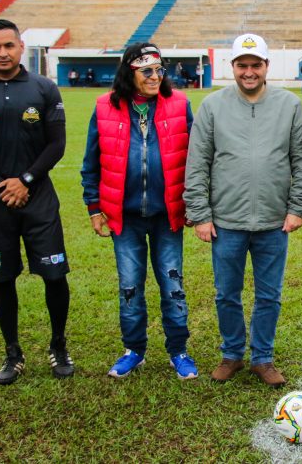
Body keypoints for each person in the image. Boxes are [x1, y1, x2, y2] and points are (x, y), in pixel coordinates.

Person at [184, 33, 302, 387]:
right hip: (225, 220)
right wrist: (200, 213)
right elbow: (197, 163)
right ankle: (231, 354)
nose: (249, 71)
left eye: (256, 64)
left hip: (275, 221)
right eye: (242, 65)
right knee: (226, 293)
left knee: (269, 295)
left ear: (266, 66)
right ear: (233, 67)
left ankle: (262, 357)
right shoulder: (212, 106)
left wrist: (298, 207)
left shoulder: (289, 105)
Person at [0, 19, 73, 385]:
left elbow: (57, 145)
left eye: (9, 45)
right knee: (3, 277)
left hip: (39, 200)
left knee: (54, 274)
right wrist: (1, 185)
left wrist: (25, 181)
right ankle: (13, 352)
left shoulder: (44, 89)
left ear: (21, 47)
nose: (2, 53)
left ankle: (58, 345)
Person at [81, 42, 198, 380]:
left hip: (168, 216)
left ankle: (178, 351)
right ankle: (134, 350)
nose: (155, 77)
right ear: (129, 72)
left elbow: (194, 158)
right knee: (130, 285)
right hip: (125, 217)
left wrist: (192, 202)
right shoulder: (105, 107)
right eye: (147, 71)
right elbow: (91, 162)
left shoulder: (178, 104)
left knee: (173, 284)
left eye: (159, 70)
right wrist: (94, 206)